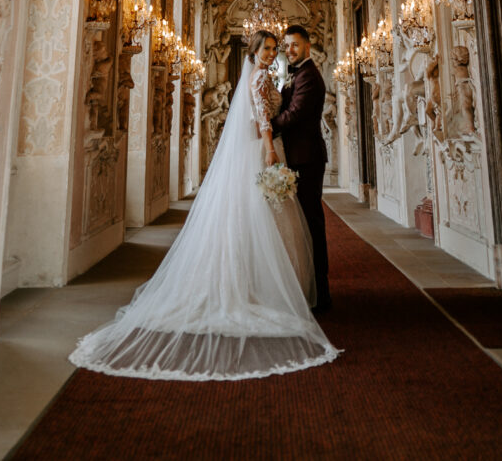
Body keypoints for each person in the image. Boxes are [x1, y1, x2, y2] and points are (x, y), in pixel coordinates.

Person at [70, 29, 338, 381]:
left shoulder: (298, 76)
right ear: (255, 50)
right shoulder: (261, 78)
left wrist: (272, 133)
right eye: (272, 47)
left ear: (303, 45)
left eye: (282, 47)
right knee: (268, 218)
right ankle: (276, 288)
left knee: (290, 220)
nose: (277, 52)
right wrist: (270, 144)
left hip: (293, 152)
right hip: (270, 149)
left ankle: (301, 288)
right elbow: (266, 119)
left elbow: (289, 113)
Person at [272, 26, 331, 312]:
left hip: (307, 159)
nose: (289, 50)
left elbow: (294, 114)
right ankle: (309, 287)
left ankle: (321, 292)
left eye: (294, 45)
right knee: (303, 225)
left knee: (311, 224)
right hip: (297, 157)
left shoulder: (309, 75)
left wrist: (266, 127)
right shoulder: (297, 74)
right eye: (287, 45)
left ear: (307, 46)